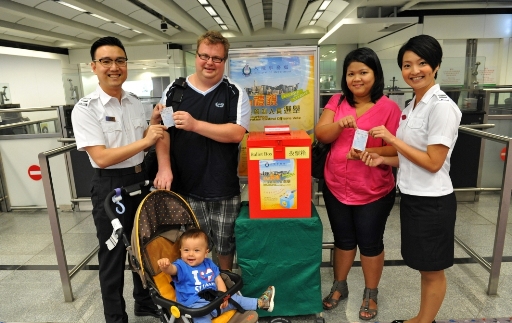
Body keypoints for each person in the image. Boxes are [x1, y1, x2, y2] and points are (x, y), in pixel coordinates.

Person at [361, 35, 462, 323]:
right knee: (423, 266)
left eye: (422, 63)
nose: (414, 71)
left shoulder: (441, 107)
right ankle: (421, 317)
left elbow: (433, 162)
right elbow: (411, 156)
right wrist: (385, 158)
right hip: (414, 197)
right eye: (407, 65)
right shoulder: (413, 105)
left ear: (437, 66)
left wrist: (391, 139)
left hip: (433, 202)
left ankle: (424, 321)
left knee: (432, 269)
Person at [71, 36, 167, 323]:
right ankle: (115, 317)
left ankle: (144, 302)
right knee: (113, 254)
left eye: (120, 60)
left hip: (140, 181)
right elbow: (101, 157)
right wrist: (145, 140)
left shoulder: (134, 102)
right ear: (94, 66)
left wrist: (151, 126)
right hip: (109, 187)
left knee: (143, 247)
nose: (114, 67)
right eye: (106, 61)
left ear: (127, 64)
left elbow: (139, 144)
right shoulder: (86, 108)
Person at [314, 47, 401, 320]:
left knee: (370, 243)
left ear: (375, 74)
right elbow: (322, 133)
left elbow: (397, 150)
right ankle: (340, 286)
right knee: (343, 240)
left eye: (363, 72)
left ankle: (370, 294)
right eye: (351, 73)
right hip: (336, 185)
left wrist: (373, 154)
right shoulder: (337, 101)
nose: (357, 78)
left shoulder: (389, 108)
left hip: (373, 190)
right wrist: (340, 124)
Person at [153, 30, 251, 271]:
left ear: (224, 61)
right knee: (192, 247)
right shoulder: (174, 92)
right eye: (204, 56)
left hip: (223, 186)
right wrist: (164, 167)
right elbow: (162, 130)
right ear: (195, 56)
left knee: (225, 244)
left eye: (217, 58)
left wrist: (195, 125)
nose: (209, 62)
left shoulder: (234, 92)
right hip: (187, 187)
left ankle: (225, 285)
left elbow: (237, 132)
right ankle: (198, 291)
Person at [157, 228, 275, 323]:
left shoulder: (208, 263)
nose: (191, 254)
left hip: (216, 300)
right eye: (186, 250)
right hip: (197, 307)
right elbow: (173, 270)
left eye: (196, 250)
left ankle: (261, 303)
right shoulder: (181, 265)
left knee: (236, 299)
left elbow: (218, 280)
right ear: (180, 251)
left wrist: (223, 296)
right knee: (200, 319)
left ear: (205, 252)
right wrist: (166, 266)